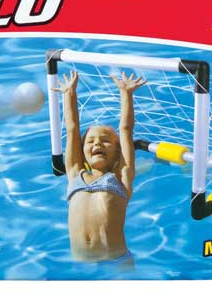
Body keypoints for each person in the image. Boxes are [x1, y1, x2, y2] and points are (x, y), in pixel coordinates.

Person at [54, 70, 146, 261]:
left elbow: (126, 130)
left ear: (117, 152)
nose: (97, 144)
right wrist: (69, 94)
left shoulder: (121, 177)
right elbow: (72, 129)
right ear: (82, 151)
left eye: (105, 141)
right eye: (90, 141)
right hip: (79, 263)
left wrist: (126, 94)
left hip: (116, 260)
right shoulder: (74, 173)